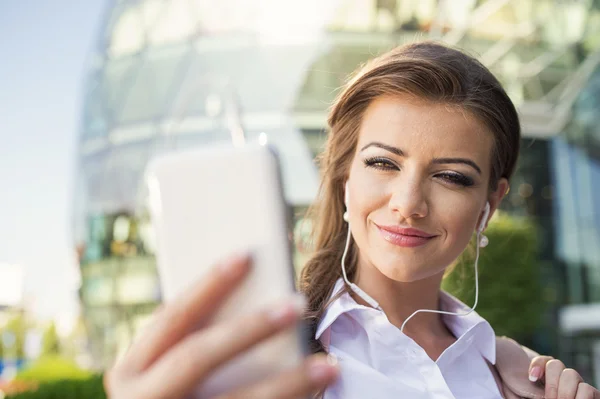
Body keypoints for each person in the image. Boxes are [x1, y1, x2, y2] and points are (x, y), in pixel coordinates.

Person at [105, 42, 600, 399]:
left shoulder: (518, 378)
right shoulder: (273, 364)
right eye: (383, 163)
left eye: (451, 176)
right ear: (345, 181)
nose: (408, 203)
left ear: (489, 206)